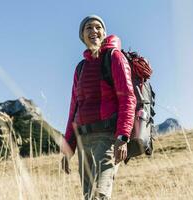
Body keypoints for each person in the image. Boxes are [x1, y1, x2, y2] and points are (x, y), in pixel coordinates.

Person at [61, 15, 136, 199]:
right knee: (88, 196)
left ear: (104, 33)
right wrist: (67, 149)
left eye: (98, 27)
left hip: (108, 137)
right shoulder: (80, 67)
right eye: (88, 28)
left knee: (99, 194)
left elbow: (128, 98)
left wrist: (122, 137)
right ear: (82, 36)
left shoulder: (114, 57)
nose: (94, 31)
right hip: (83, 141)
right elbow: (74, 110)